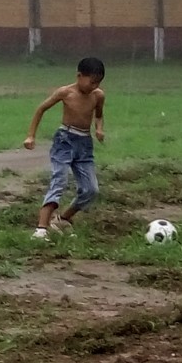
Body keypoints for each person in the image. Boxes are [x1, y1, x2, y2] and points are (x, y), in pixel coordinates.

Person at [23, 57, 108, 237]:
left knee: (91, 189)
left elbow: (99, 115)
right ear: (79, 76)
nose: (94, 86)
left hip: (85, 144)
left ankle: (63, 219)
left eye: (98, 82)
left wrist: (99, 128)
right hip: (65, 140)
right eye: (91, 82)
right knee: (59, 181)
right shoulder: (65, 92)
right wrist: (31, 135)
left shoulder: (98, 95)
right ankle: (41, 229)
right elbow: (41, 109)